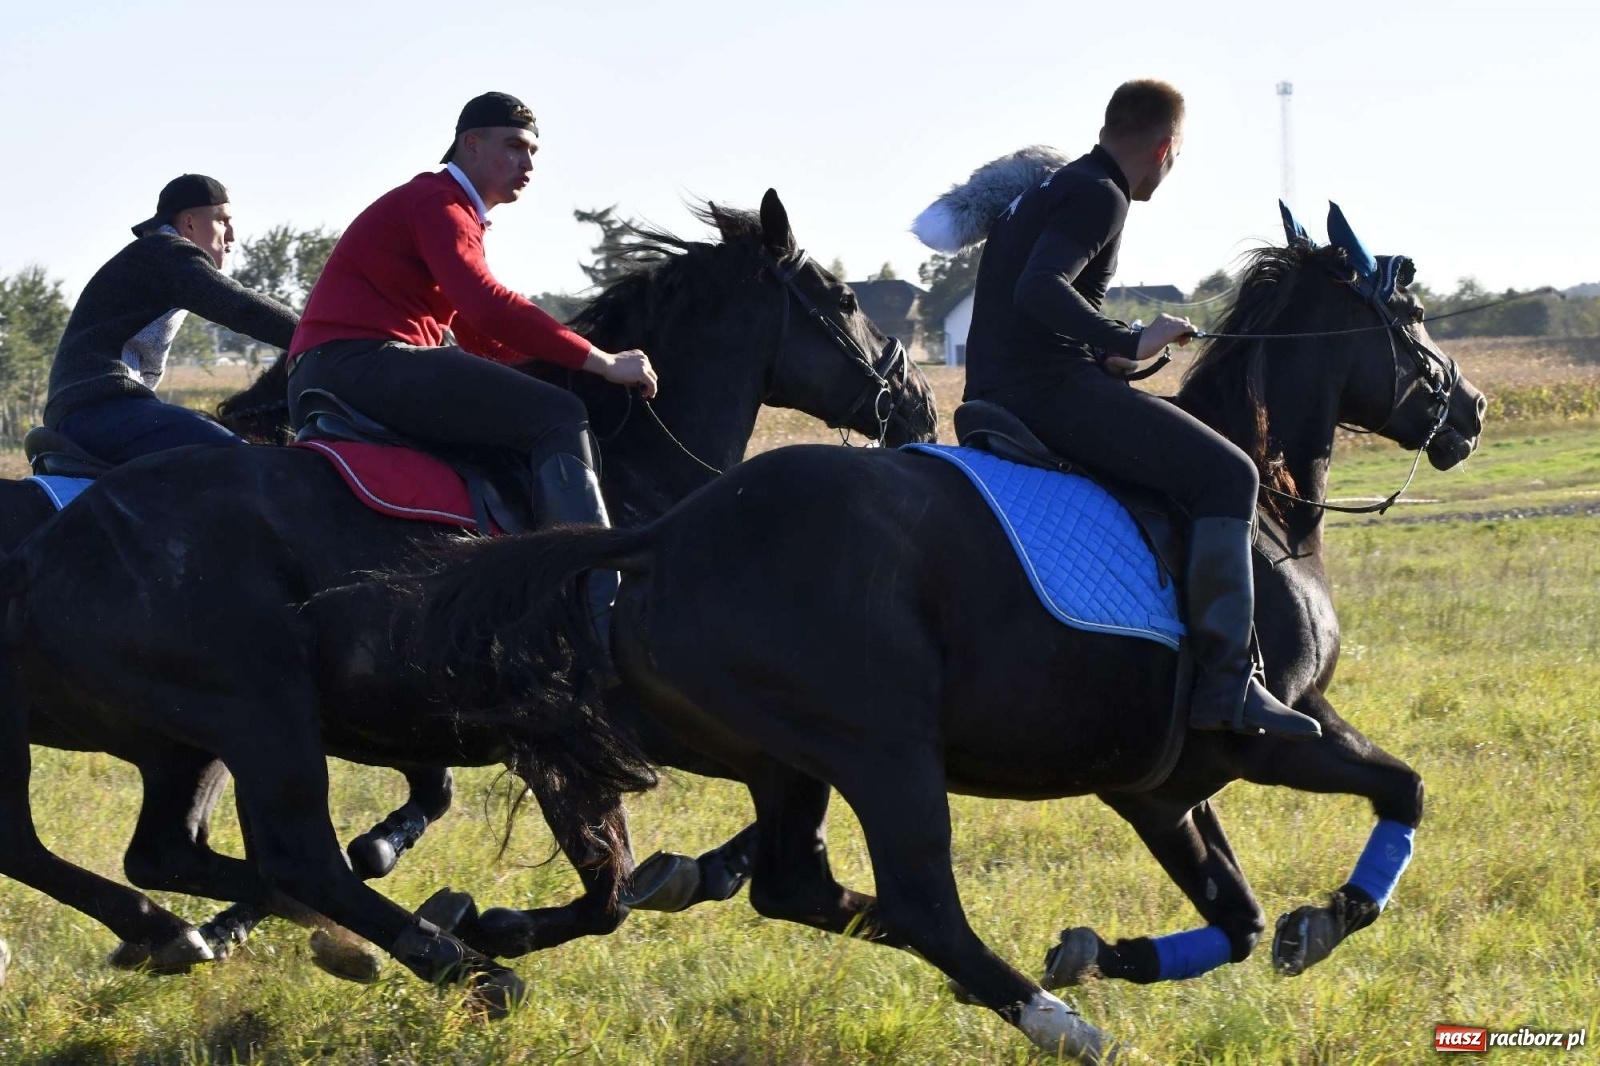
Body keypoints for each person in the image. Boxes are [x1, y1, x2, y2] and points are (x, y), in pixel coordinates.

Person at [961, 79, 1320, 739]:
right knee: (1231, 474)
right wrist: (1130, 337)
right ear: (1163, 148)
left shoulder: (1052, 188)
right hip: (1043, 395)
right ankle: (1227, 683)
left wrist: (1106, 357)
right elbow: (1039, 288)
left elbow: (1032, 308)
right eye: (1177, 156)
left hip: (1005, 385)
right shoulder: (1100, 195)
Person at [285, 91, 656, 664]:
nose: (528, 165)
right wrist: (601, 362)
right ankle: (596, 608)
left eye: (533, 152)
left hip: (340, 367)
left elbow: (480, 335)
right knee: (560, 416)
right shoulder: (439, 203)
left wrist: (558, 365)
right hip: (360, 364)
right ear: (471, 143)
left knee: (544, 404)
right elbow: (486, 304)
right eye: (514, 148)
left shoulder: (448, 211)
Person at [43, 175, 299, 462]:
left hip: (87, 410)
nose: (232, 236)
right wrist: (317, 334)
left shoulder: (155, 255)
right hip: (101, 409)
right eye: (222, 221)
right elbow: (242, 307)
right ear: (189, 223)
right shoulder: (165, 251)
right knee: (238, 459)